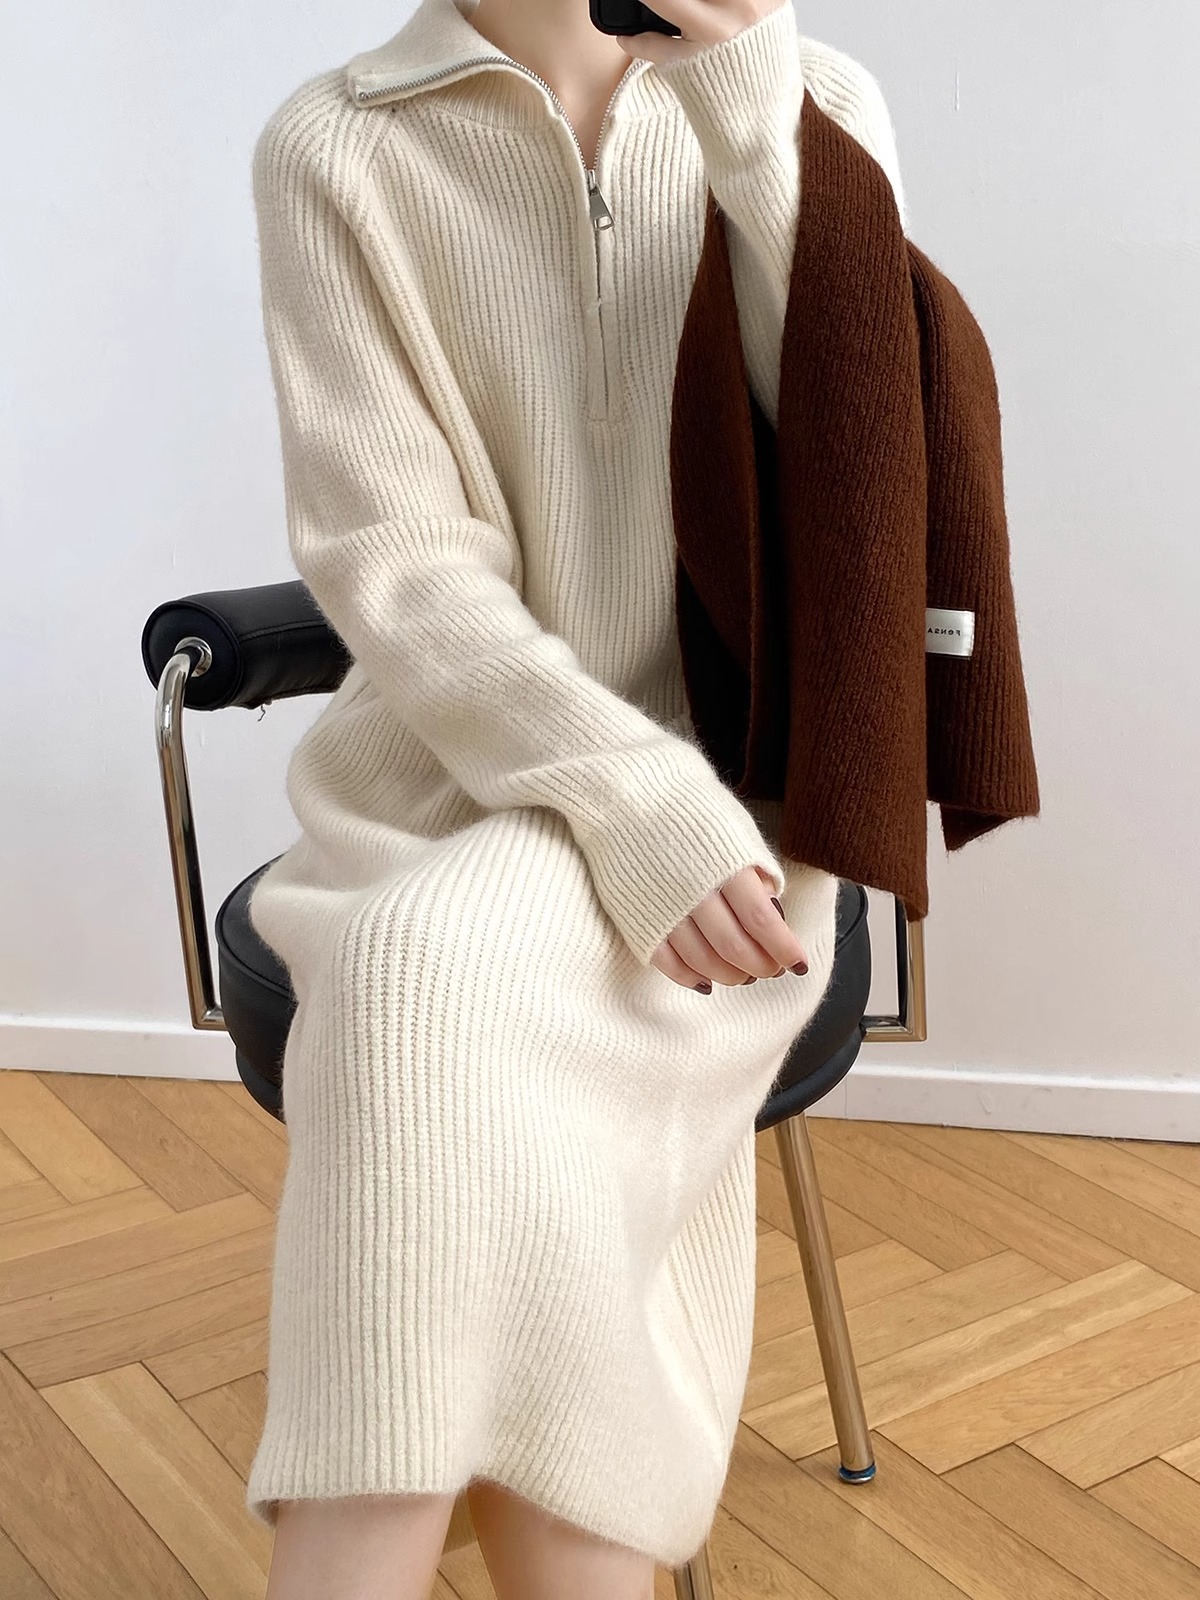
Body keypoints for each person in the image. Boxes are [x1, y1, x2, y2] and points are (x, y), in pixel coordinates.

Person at [243, 0, 904, 1594]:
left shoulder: (810, 98)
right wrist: (625, 801)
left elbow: (871, 481)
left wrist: (749, 113)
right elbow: (397, 563)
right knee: (424, 964)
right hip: (448, 786)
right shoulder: (339, 143)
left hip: (745, 816)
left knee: (418, 983)